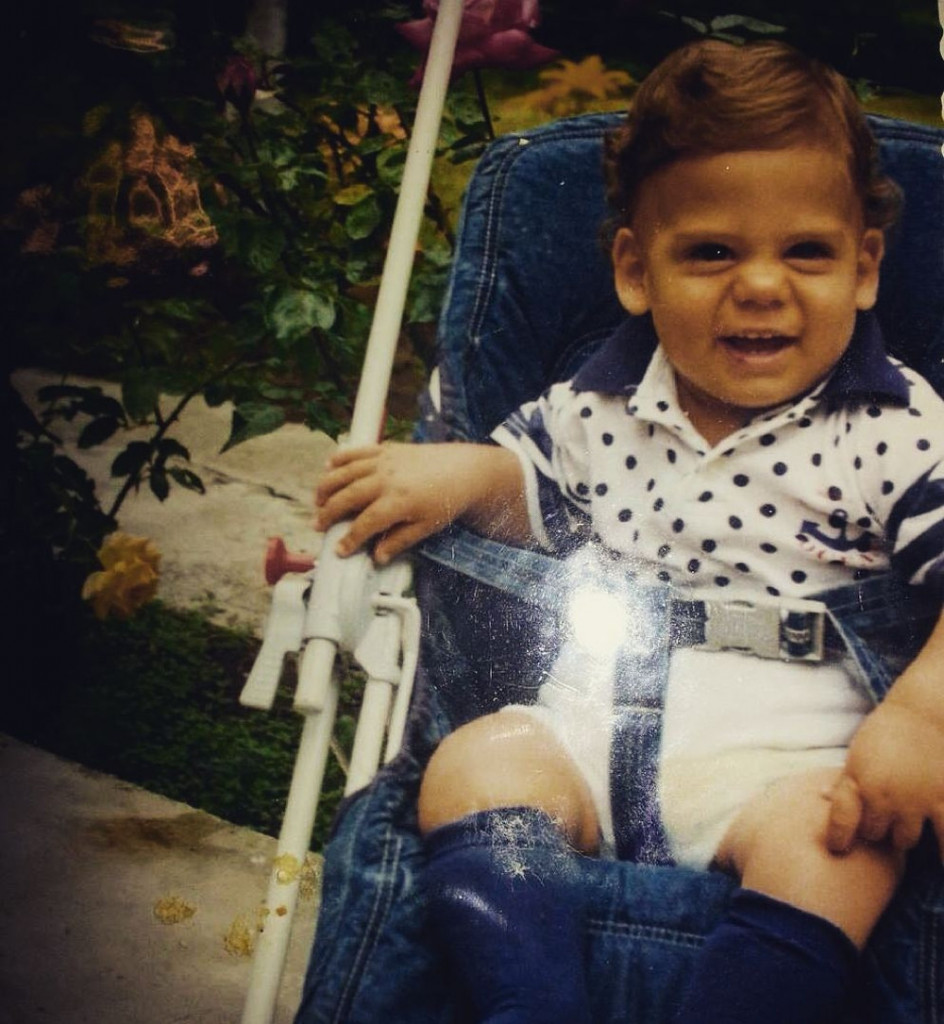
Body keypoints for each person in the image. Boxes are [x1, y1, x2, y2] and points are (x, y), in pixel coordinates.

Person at [314, 39, 944, 1024]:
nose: (761, 285)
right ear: (635, 270)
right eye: (710, 252)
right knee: (474, 764)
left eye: (806, 252)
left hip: (782, 766)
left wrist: (924, 717)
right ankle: (530, 1003)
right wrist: (465, 475)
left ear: (863, 268)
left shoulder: (893, 428)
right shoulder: (598, 405)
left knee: (845, 844)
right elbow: (531, 492)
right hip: (582, 736)